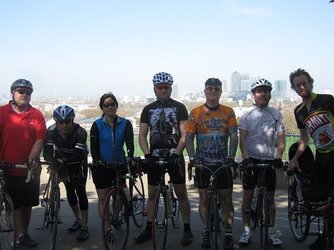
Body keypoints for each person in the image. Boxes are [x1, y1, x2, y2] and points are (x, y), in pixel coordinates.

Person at [134, 72, 193, 246]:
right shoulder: (147, 109)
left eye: (166, 87)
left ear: (171, 88)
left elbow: (185, 134)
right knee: (152, 195)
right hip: (155, 156)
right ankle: (149, 228)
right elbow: (143, 136)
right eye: (160, 87)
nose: (163, 90)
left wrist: (177, 154)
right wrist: (147, 155)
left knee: (181, 193)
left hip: (175, 155)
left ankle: (187, 229)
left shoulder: (180, 107)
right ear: (154, 89)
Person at [185, 78, 238, 250]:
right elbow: (189, 138)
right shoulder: (195, 112)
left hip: (223, 163)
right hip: (203, 163)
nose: (213, 91)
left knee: (226, 199)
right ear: (205, 91)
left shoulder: (228, 111)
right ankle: (206, 231)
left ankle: (228, 233)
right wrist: (193, 158)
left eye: (216, 88)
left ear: (221, 92)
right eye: (210, 88)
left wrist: (231, 157)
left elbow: (234, 135)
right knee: (204, 199)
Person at [289, 68, 334, 250]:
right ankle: (325, 237)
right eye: (297, 85)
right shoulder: (298, 111)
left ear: (310, 82)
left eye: (304, 83)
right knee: (325, 202)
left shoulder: (326, 100)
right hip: (321, 156)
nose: (301, 87)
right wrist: (295, 158)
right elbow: (304, 139)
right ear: (294, 88)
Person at [238, 78, 285, 247]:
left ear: (269, 94)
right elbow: (242, 139)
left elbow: (281, 139)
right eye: (259, 91)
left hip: (269, 160)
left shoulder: (276, 114)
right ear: (253, 95)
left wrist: (278, 157)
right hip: (251, 160)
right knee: (248, 196)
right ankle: (246, 230)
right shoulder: (246, 115)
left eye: (266, 90)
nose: (263, 93)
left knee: (270, 198)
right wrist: (245, 158)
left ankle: (272, 231)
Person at [0, 79, 46, 247]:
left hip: (28, 170)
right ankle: (11, 235)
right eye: (21, 91)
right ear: (13, 93)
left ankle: (23, 234)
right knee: (11, 205)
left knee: (26, 205)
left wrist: (32, 158)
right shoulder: (2, 112)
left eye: (28, 92)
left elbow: (40, 138)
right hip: (6, 168)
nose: (25, 95)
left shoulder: (36, 115)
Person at [90, 92, 134, 238]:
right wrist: (97, 161)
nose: (110, 107)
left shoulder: (125, 123)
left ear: (116, 105)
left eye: (112, 104)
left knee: (119, 195)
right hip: (102, 165)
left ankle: (115, 216)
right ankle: (107, 227)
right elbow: (94, 147)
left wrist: (130, 157)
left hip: (119, 163)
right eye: (106, 105)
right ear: (102, 108)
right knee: (103, 198)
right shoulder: (97, 125)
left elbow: (129, 143)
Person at [43, 105, 89, 241]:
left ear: (72, 120)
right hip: (61, 163)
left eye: (67, 122)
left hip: (78, 163)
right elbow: (46, 153)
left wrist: (62, 160)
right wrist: (57, 164)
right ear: (55, 121)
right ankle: (77, 218)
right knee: (69, 190)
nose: (63, 126)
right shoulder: (51, 132)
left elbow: (79, 155)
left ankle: (85, 226)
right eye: (60, 122)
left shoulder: (80, 132)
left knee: (80, 191)